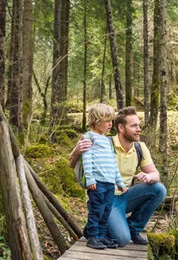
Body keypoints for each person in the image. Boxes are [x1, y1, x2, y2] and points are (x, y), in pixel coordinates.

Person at [70, 106, 166, 247]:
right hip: (103, 194)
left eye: (139, 125)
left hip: (125, 194)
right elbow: (72, 164)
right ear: (121, 128)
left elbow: (156, 175)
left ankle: (133, 228)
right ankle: (97, 231)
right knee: (121, 239)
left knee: (159, 189)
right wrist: (76, 152)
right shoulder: (102, 142)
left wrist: (148, 176)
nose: (139, 129)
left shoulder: (140, 147)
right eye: (134, 126)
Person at [80, 103, 126, 249]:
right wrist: (90, 178)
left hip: (109, 183)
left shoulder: (107, 141)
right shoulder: (89, 137)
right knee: (96, 210)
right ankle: (93, 236)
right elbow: (86, 160)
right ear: (96, 121)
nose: (110, 124)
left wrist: (119, 181)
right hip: (97, 183)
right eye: (107, 121)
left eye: (111, 121)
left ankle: (102, 235)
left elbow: (113, 163)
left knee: (106, 210)